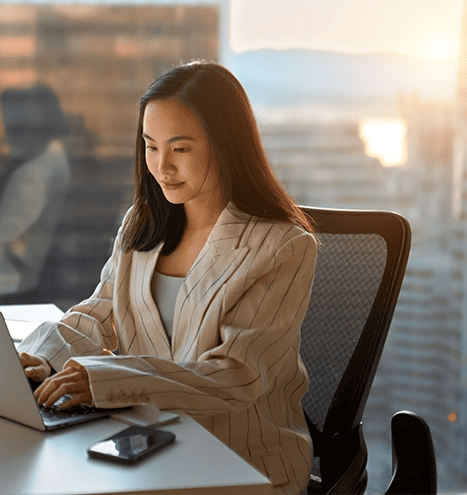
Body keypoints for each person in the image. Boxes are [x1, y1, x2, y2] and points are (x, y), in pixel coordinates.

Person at [17, 61, 317, 495]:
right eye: (150, 146)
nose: (162, 167)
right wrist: (42, 356)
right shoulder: (144, 222)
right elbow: (100, 313)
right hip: (149, 442)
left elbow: (237, 375)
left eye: (181, 149)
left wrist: (107, 379)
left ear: (227, 145)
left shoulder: (282, 246)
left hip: (243, 461)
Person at [0, 84, 71, 299]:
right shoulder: (56, 157)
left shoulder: (33, 175)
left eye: (18, 127)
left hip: (20, 278)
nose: (9, 134)